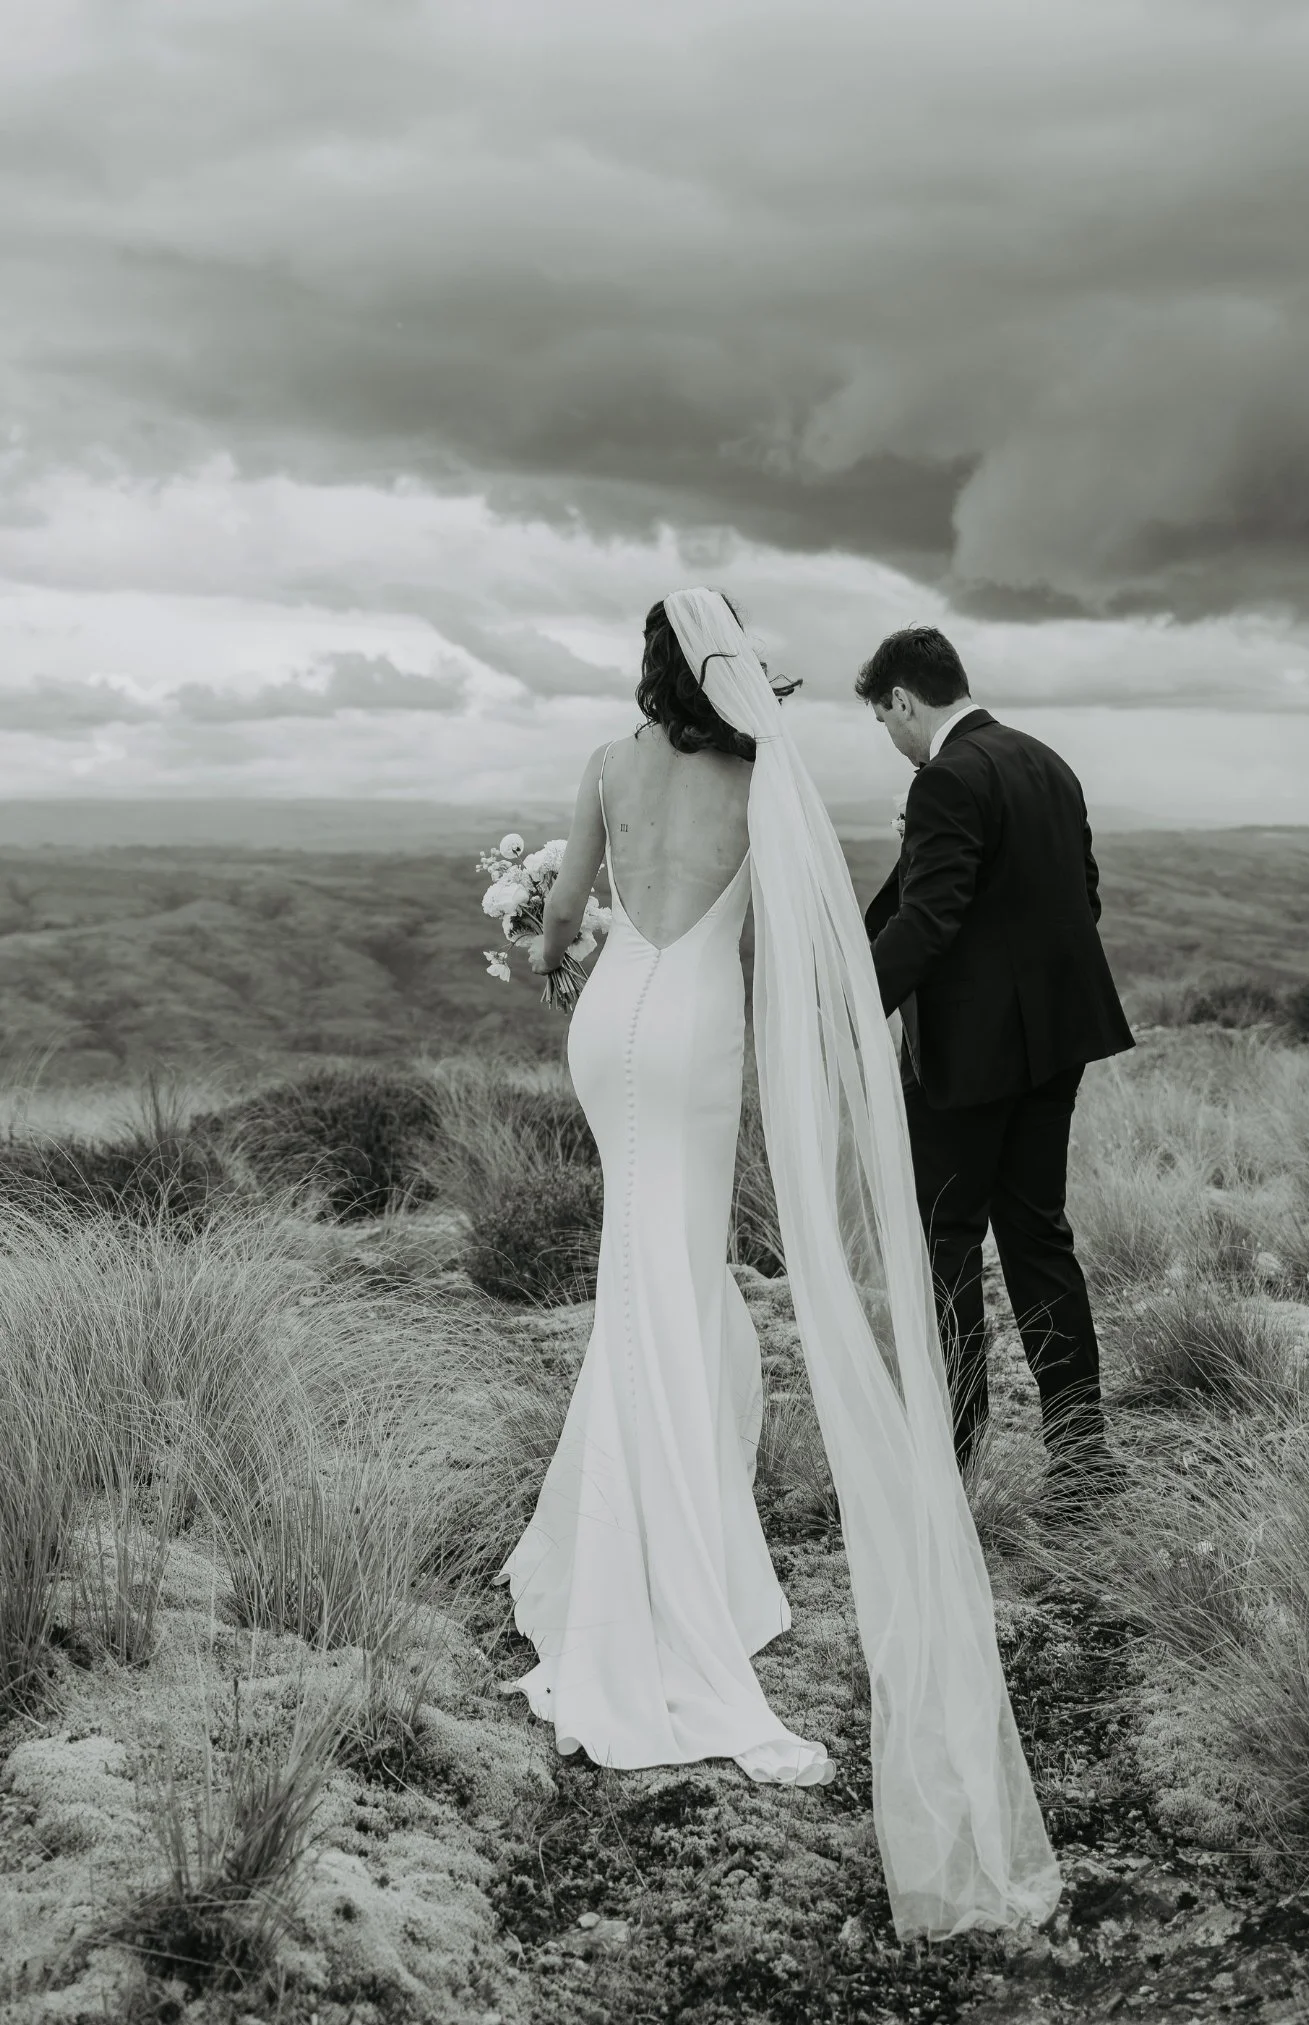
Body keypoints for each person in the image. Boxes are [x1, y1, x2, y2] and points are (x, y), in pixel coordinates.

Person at [498, 589, 1060, 1942]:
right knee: (673, 1287)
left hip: (612, 1028)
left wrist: (524, 926)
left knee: (650, 1285)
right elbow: (798, 950)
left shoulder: (598, 768)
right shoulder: (763, 776)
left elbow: (558, 931)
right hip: (693, 1036)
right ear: (734, 672)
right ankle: (674, 1599)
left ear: (649, 672)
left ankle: (634, 1547)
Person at [859, 627, 1135, 1492]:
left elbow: (932, 920)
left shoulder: (946, 777)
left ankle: (952, 1449)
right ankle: (1081, 1453)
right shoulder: (1047, 761)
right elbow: (1079, 897)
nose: (891, 739)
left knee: (944, 1237)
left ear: (903, 699)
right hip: (1056, 1045)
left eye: (884, 719)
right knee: (1038, 1235)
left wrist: (845, 1006)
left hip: (972, 1060)